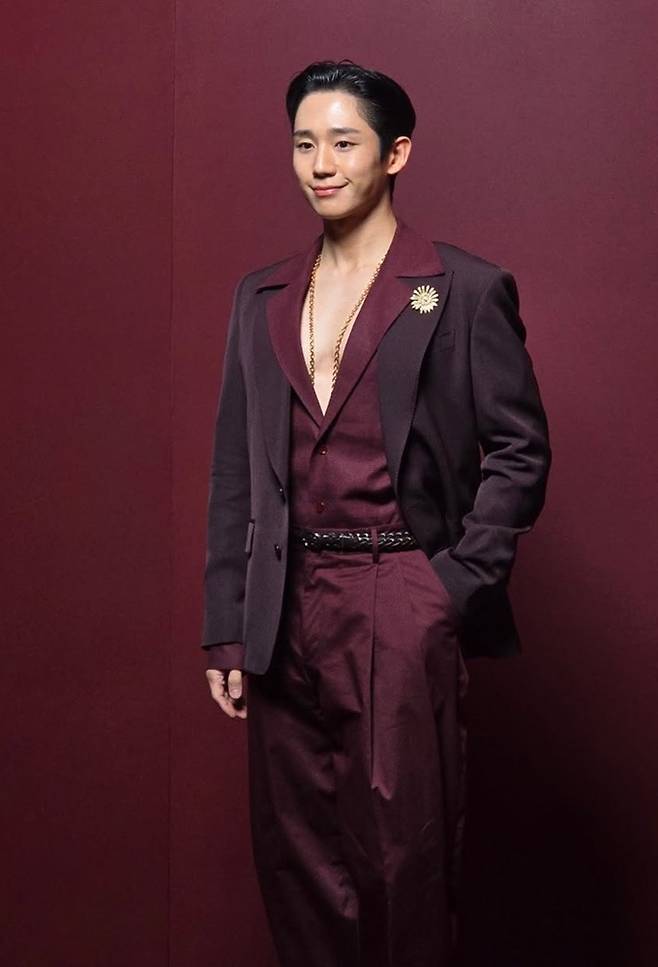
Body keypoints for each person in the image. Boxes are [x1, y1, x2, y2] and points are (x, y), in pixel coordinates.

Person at [201, 59, 551, 967]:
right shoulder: (261, 296)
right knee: (297, 858)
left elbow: (520, 450)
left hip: (398, 590)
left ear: (395, 154)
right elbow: (236, 468)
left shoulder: (460, 288)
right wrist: (229, 625)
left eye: (343, 143)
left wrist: (450, 588)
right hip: (283, 605)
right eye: (303, 144)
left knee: (404, 855)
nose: (320, 164)